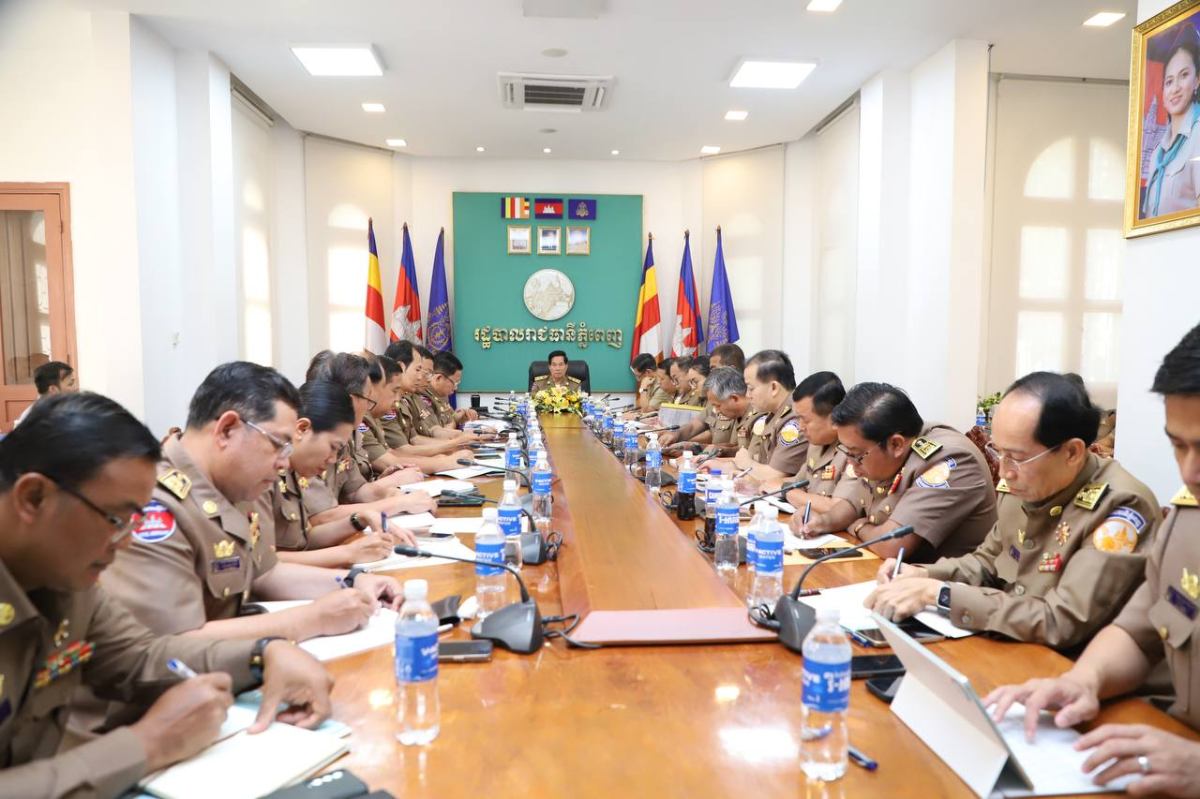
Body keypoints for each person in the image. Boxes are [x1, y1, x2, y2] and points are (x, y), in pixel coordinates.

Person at [0, 392, 333, 798]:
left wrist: (262, 654)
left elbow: (141, 655)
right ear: (33, 498)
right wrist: (146, 745)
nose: (126, 542)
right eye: (116, 520)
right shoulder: (65, 565)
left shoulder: (64, 576)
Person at [987, 324, 1200, 796]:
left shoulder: (1125, 502)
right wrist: (1085, 679)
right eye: (1179, 445)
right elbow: (1137, 631)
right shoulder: (1189, 520)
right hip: (1161, 743)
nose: (1189, 472)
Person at [100, 362, 403, 643]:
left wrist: (353, 580)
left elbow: (265, 573)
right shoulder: (152, 504)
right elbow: (169, 642)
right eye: (278, 445)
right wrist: (311, 620)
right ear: (227, 429)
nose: (284, 463)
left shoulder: (234, 485)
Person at [864, 372, 1159, 649]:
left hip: (1069, 663)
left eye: (1017, 457)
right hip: (1013, 641)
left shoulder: (1120, 506)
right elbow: (986, 562)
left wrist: (940, 594)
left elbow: (1062, 620)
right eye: (999, 452)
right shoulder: (1025, 486)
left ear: (1071, 452)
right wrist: (923, 574)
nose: (1004, 472)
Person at [801, 382, 996, 561]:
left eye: (856, 455)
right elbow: (854, 503)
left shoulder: (950, 460)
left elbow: (892, 546)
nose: (851, 464)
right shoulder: (883, 448)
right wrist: (821, 521)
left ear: (896, 444)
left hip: (942, 582)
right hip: (895, 572)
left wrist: (858, 526)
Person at [271, 380, 416, 569]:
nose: (333, 459)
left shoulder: (295, 471)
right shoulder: (268, 474)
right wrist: (349, 553)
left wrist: (358, 519)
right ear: (302, 429)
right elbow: (261, 565)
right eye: (333, 447)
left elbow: (304, 539)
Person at [302, 353, 433, 521]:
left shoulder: (341, 434)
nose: (369, 407)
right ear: (349, 400)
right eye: (368, 398)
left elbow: (355, 490)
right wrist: (396, 503)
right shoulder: (310, 437)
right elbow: (320, 516)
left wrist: (388, 493)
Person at [768, 372, 867, 520]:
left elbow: (837, 508)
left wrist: (786, 490)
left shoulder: (853, 450)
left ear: (833, 419)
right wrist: (762, 485)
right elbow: (798, 482)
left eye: (805, 420)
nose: (800, 427)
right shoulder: (816, 444)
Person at [705, 350, 807, 482]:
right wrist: (723, 466)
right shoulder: (774, 415)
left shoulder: (794, 419)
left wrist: (746, 463)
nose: (747, 395)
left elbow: (775, 476)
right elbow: (763, 461)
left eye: (751, 388)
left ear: (774, 388)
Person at [1142, 24, 1200, 219]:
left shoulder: (1198, 135)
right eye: (1169, 81)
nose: (1175, 88)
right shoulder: (1157, 153)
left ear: (1197, 80)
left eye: (1184, 75)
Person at [660, 347, 743, 452]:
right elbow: (694, 426)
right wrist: (675, 435)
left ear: (731, 369)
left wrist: (697, 448)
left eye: (713, 369)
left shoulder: (743, 401)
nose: (710, 373)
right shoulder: (717, 398)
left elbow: (740, 450)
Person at [12, 361, 77, 427]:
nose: (76, 388)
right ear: (53, 390)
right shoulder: (36, 418)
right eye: (70, 384)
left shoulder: (64, 407)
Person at [429, 351, 478, 428]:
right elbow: (439, 431)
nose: (455, 388)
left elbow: (451, 417)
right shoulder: (424, 398)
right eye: (454, 383)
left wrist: (463, 416)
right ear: (439, 378)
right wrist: (454, 422)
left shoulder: (442, 395)